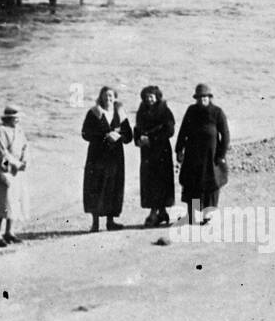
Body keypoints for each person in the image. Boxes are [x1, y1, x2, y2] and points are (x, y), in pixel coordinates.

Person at [175, 83, 229, 226]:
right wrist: (179, 149)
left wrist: (221, 155)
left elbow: (225, 135)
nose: (202, 100)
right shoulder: (191, 111)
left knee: (211, 184)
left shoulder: (217, 112)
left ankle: (207, 215)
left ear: (209, 98)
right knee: (191, 183)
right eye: (199, 97)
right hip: (192, 154)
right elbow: (183, 130)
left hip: (211, 157)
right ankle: (191, 215)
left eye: (204, 97)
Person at [82, 86, 132, 232]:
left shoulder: (120, 113)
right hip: (97, 155)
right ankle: (95, 223)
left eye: (111, 96)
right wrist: (104, 136)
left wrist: (119, 136)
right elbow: (85, 133)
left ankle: (111, 222)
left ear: (115, 98)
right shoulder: (94, 113)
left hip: (115, 156)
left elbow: (128, 135)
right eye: (105, 96)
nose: (108, 99)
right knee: (95, 186)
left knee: (113, 186)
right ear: (100, 97)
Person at [134, 85, 176, 227]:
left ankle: (157, 213)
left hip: (162, 151)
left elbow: (170, 130)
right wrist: (138, 140)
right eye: (146, 97)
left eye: (151, 96)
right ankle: (158, 212)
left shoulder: (165, 110)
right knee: (149, 181)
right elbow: (137, 128)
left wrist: (151, 138)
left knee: (162, 180)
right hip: (147, 152)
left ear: (157, 97)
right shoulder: (141, 111)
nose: (149, 99)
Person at [0, 104, 29, 247]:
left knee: (15, 200)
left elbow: (25, 146)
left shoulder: (19, 130)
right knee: (2, 201)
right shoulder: (0, 130)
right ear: (8, 118)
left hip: (17, 169)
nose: (17, 120)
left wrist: (24, 161)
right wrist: (16, 164)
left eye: (18, 118)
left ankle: (9, 232)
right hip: (5, 167)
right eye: (14, 118)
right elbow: (2, 152)